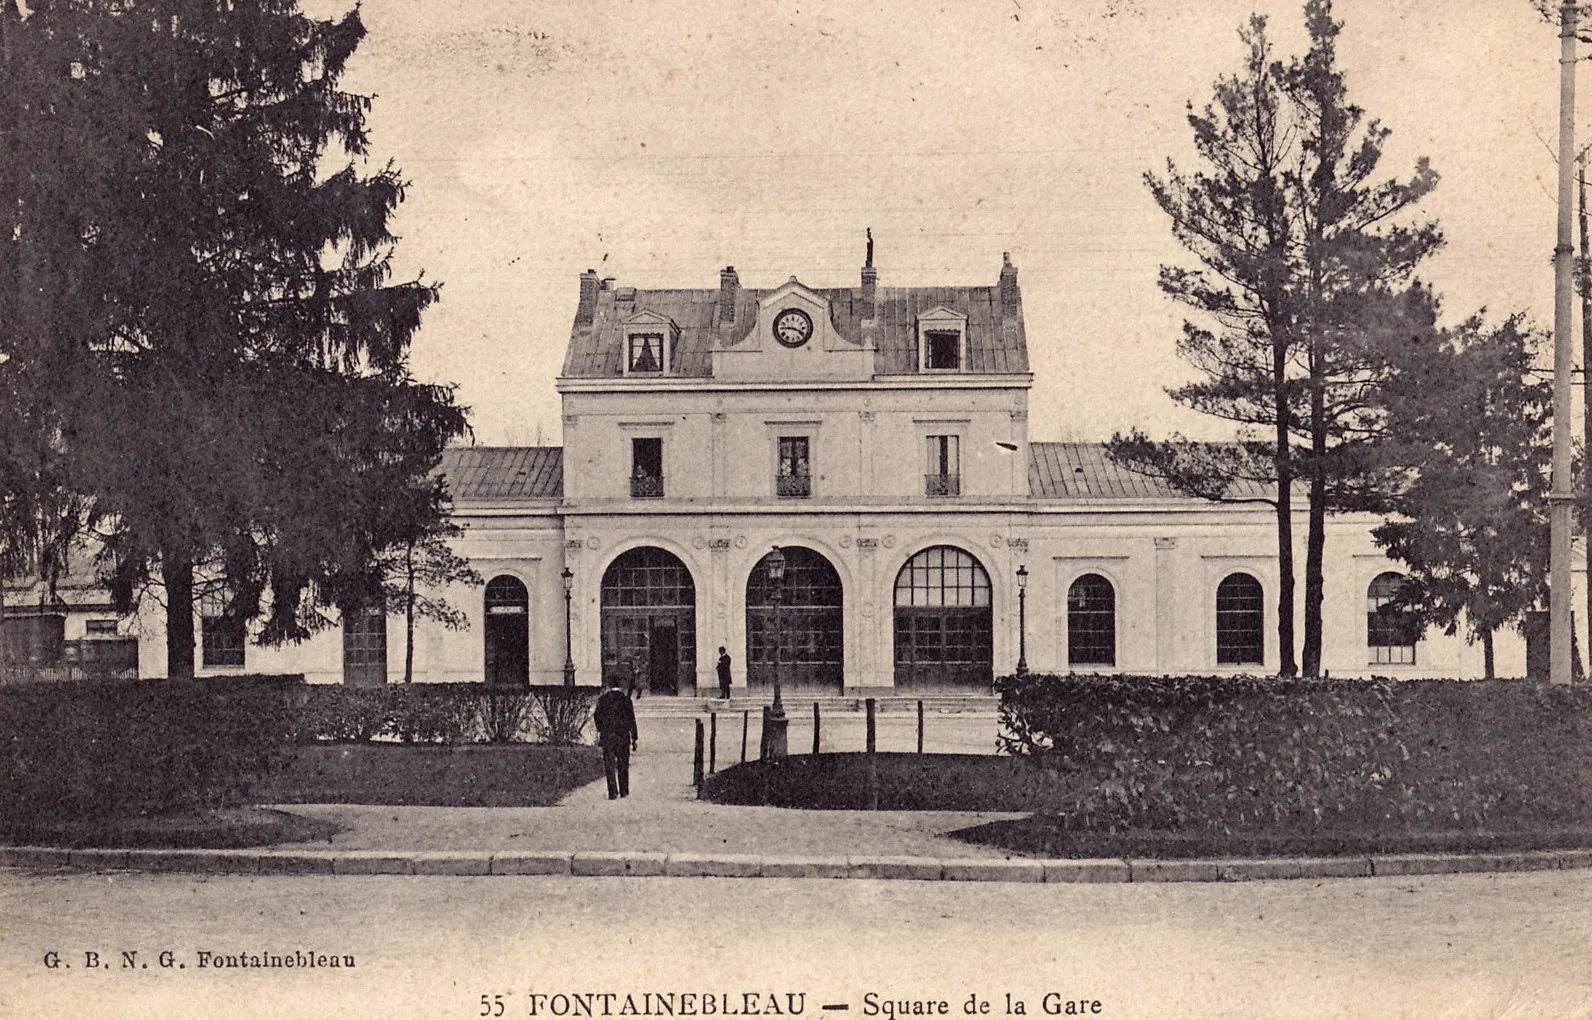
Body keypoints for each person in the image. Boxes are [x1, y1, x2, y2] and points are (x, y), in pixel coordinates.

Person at [594, 676, 639, 799]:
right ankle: (624, 790)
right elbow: (631, 720)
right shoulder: (626, 700)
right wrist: (634, 737)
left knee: (609, 764)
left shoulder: (603, 700)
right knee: (623, 763)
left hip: (608, 736)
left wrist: (600, 729)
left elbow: (597, 716)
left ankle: (612, 791)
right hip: (623, 736)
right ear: (620, 686)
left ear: (609, 685)